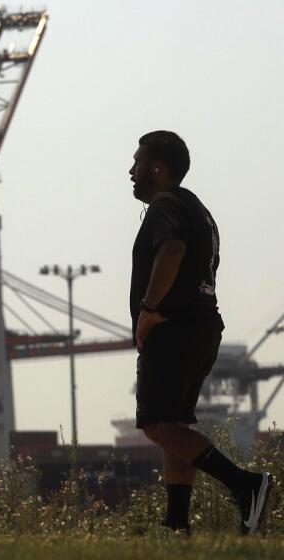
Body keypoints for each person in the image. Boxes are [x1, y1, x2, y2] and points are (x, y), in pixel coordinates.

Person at [129, 130, 273, 535]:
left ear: (158, 169)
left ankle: (246, 485)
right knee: (175, 427)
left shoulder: (166, 206)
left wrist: (149, 309)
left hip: (173, 328)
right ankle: (176, 525)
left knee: (156, 424)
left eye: (137, 164)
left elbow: (171, 250)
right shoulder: (198, 209)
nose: (131, 172)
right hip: (202, 328)